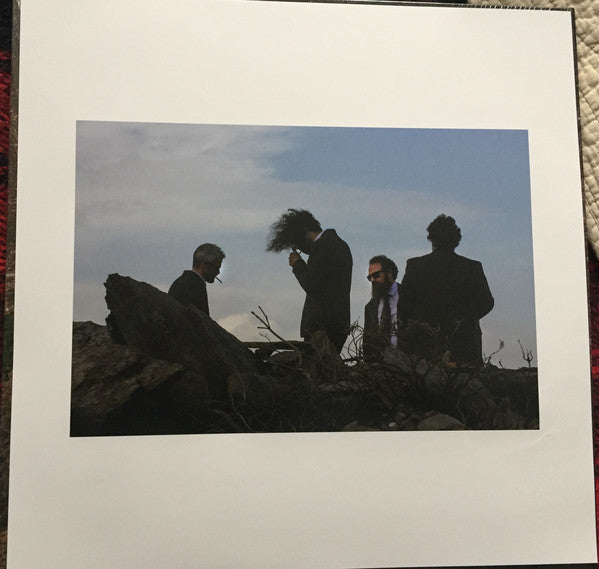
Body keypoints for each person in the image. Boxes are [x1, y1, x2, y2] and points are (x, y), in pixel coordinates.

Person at [400, 214, 494, 365]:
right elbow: (487, 302)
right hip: (465, 345)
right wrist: (466, 320)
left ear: (431, 238)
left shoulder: (415, 266)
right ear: (456, 240)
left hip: (424, 346)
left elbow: (404, 304)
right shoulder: (472, 267)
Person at [266, 209, 352, 352]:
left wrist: (297, 264)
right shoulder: (337, 244)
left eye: (296, 242)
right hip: (336, 324)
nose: (298, 247)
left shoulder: (323, 245)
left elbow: (312, 284)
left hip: (323, 326)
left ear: (304, 231)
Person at [168, 243, 225, 316]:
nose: (218, 272)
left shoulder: (179, 282)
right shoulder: (196, 286)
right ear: (205, 266)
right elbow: (201, 319)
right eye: (216, 268)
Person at [363, 255, 402, 360]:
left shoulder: (408, 296)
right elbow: (367, 344)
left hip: (409, 364)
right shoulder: (370, 307)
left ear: (389, 273)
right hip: (380, 366)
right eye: (369, 277)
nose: (372, 280)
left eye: (376, 275)